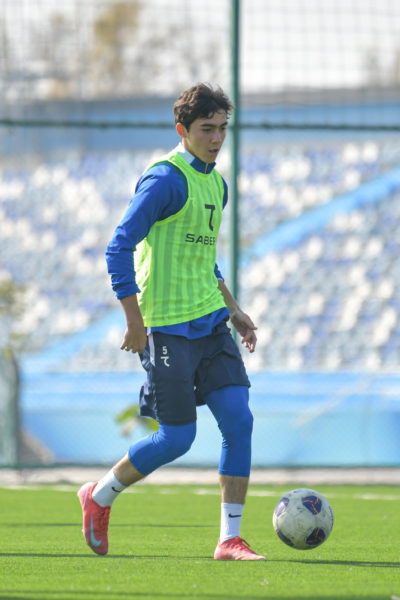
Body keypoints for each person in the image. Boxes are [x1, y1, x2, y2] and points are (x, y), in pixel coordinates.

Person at [77, 83, 265, 561]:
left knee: (239, 421)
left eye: (223, 128)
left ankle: (229, 539)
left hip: (211, 325)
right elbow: (118, 247)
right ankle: (99, 495)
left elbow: (204, 261)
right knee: (177, 439)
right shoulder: (164, 180)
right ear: (182, 130)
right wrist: (134, 321)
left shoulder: (217, 185)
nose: (217, 138)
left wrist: (233, 309)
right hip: (165, 329)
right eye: (207, 129)